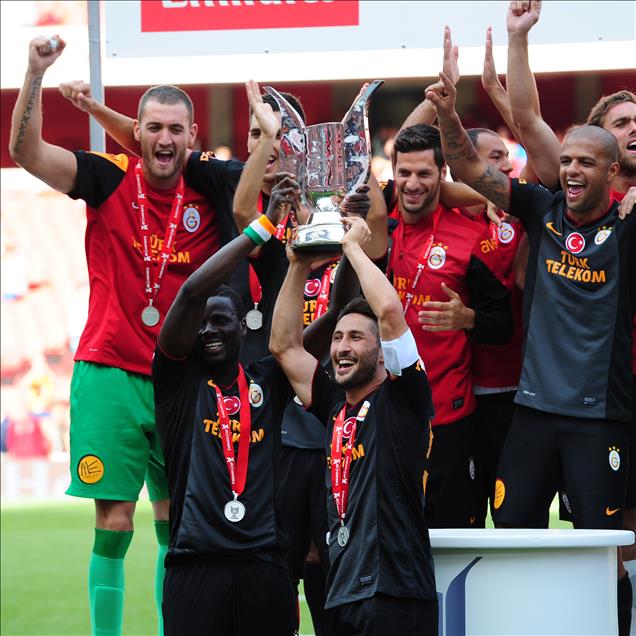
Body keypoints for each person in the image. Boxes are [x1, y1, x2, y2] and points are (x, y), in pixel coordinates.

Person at [9, 36, 243, 636]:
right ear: (136, 132)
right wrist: (34, 75)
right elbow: (25, 152)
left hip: (181, 377)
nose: (165, 138)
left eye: (176, 129)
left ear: (192, 136)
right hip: (110, 370)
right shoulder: (106, 177)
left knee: (178, 525)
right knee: (113, 523)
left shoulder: (213, 190)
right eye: (154, 127)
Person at [426, 61, 635, 533]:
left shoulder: (627, 225)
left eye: (585, 163)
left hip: (599, 416)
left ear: (612, 171)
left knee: (603, 543)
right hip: (533, 411)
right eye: (566, 161)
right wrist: (448, 114)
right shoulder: (542, 208)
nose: (572, 171)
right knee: (513, 528)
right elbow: (469, 168)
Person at [502, 3, 635, 631]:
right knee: (543, 534)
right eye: (622, 122)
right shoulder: (568, 190)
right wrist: (518, 39)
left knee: (613, 542)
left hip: (612, 400)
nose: (634, 131)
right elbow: (527, 118)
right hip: (567, 399)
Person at [270, 216, 438, 635]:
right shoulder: (333, 406)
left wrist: (353, 248)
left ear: (383, 353)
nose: (342, 347)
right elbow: (284, 346)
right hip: (343, 591)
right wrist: (296, 266)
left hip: (395, 593)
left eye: (357, 338)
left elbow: (389, 310)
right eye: (338, 337)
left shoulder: (403, 398)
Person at [152, 187, 299, 635]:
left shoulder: (267, 380)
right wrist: (263, 226)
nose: (208, 331)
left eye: (220, 321)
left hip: (264, 564)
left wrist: (317, 262)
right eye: (201, 323)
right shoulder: (177, 381)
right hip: (194, 566)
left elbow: (317, 332)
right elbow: (191, 291)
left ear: (243, 327)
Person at [384, 123, 513, 528]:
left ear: (442, 174)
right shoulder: (379, 224)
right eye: (404, 172)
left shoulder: (471, 238)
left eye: (424, 173)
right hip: (386, 415)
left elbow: (503, 324)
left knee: (453, 538)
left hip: (448, 417)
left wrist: (468, 318)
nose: (412, 184)